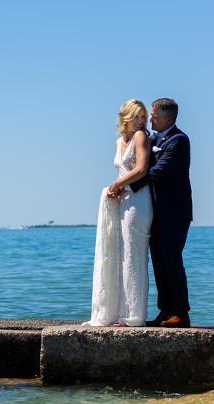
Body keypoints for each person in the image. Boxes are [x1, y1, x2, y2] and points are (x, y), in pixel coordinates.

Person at [84, 99, 153, 326]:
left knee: (133, 256)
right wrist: (116, 189)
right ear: (125, 117)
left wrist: (116, 185)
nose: (142, 122)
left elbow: (141, 170)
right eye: (137, 117)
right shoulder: (117, 142)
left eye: (143, 117)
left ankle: (134, 316)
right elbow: (124, 169)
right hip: (122, 201)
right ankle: (119, 311)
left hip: (138, 201)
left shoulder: (141, 137)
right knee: (120, 255)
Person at [129, 98, 192, 328]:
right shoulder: (154, 138)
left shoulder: (179, 140)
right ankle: (165, 312)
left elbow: (157, 171)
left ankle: (181, 314)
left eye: (154, 116)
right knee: (159, 263)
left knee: (172, 262)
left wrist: (127, 187)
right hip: (154, 213)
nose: (150, 120)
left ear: (170, 119)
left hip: (174, 213)